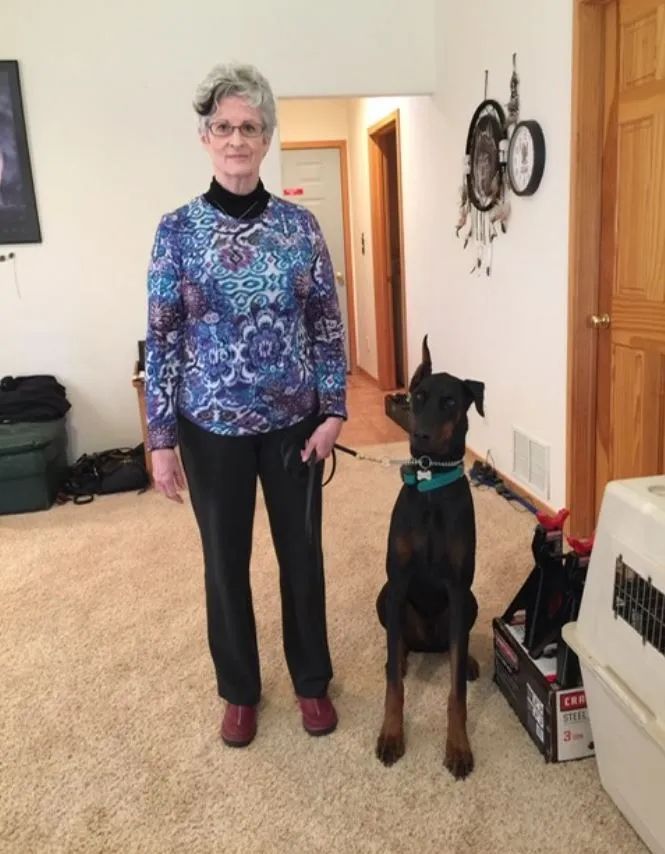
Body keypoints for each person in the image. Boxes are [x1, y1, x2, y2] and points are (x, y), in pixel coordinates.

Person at [144, 62, 347, 748]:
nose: (237, 140)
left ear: (266, 139)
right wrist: (160, 438)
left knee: (302, 556)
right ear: (206, 137)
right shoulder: (176, 231)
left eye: (250, 127)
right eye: (224, 127)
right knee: (223, 562)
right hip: (210, 428)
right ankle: (238, 691)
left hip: (294, 424)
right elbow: (163, 337)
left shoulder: (299, 227)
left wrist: (335, 411)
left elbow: (325, 321)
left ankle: (311, 681)